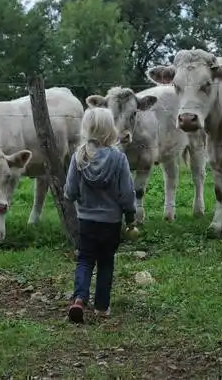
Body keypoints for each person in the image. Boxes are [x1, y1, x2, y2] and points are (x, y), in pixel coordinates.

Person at [64, 106, 137, 323]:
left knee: (85, 259)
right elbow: (126, 193)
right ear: (110, 129)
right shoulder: (118, 158)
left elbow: (69, 191)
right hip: (111, 222)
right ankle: (102, 307)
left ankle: (79, 299)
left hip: (85, 220)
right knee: (106, 261)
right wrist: (130, 216)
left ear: (86, 128)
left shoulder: (79, 155)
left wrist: (81, 198)